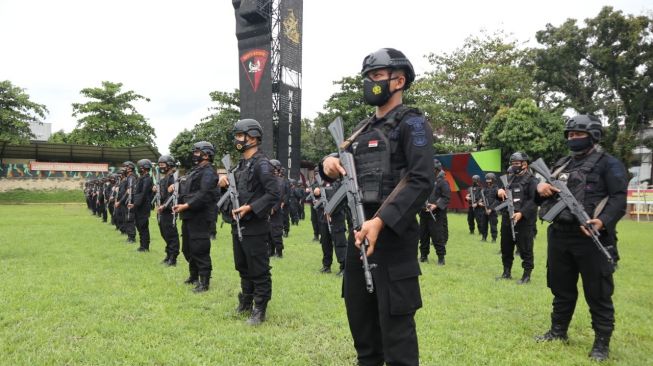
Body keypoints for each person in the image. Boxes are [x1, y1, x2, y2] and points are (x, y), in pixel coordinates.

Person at [321, 48, 434, 366]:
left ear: (398, 81)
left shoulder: (412, 125)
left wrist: (380, 221)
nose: (370, 83)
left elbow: (421, 179)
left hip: (393, 241)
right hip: (358, 238)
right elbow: (338, 166)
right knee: (363, 331)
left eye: (377, 76)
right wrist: (327, 164)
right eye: (368, 77)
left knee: (397, 338)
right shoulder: (361, 130)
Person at [534, 115, 627, 362]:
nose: (573, 139)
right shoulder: (561, 164)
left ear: (593, 135)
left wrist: (602, 221)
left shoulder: (609, 164)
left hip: (591, 237)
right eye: (570, 135)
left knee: (598, 292)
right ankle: (558, 331)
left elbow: (619, 199)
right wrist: (539, 189)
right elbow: (541, 198)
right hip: (559, 235)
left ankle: (601, 344)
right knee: (560, 287)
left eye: (578, 134)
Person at [219, 119, 279, 325]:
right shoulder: (240, 165)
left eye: (239, 136)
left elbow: (274, 193)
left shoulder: (263, 164)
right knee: (242, 266)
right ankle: (246, 301)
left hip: (255, 226)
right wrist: (224, 183)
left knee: (258, 268)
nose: (236, 140)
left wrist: (251, 207)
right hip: (238, 225)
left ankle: (260, 308)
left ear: (252, 137)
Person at [173, 142, 219, 293]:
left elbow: (204, 194)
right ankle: (193, 275)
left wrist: (186, 205)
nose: (194, 155)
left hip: (200, 215)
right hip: (188, 215)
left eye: (197, 152)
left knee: (200, 249)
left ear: (206, 155)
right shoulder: (195, 171)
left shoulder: (209, 172)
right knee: (187, 248)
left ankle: (204, 281)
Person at [496, 152, 538, 284]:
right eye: (512, 164)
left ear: (524, 164)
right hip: (507, 218)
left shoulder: (532, 180)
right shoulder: (509, 178)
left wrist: (522, 213)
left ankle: (526, 275)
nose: (514, 166)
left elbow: (534, 201)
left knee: (525, 248)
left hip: (524, 220)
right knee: (506, 247)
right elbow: (500, 195)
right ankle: (506, 272)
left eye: (516, 164)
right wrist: (499, 191)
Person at [419, 158, 451, 265]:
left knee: (437, 236)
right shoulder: (425, 181)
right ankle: (423, 256)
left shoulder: (443, 182)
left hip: (436, 214)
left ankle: (441, 258)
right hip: (424, 212)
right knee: (423, 235)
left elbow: (446, 197)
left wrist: (435, 205)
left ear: (436, 169)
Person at [156, 155, 180, 266]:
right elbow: (162, 193)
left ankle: (173, 257)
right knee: (164, 233)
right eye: (159, 165)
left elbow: (173, 195)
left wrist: (164, 206)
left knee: (171, 234)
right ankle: (168, 254)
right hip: (162, 210)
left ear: (169, 165)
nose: (161, 167)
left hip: (169, 210)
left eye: (163, 165)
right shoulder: (163, 178)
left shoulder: (173, 177)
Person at [131, 159, 153, 252]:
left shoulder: (147, 179)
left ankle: (145, 247)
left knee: (143, 227)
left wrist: (135, 204)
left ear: (143, 168)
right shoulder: (142, 178)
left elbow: (142, 194)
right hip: (139, 206)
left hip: (143, 207)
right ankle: (142, 245)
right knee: (139, 226)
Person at [268, 159, 285, 258]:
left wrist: (274, 208)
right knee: (268, 232)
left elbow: (280, 196)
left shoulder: (280, 181)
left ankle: (279, 252)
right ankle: (270, 251)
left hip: (276, 211)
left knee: (276, 232)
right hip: (267, 209)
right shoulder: (268, 180)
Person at [116, 161, 137, 243]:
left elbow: (129, 191)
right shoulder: (129, 177)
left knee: (130, 219)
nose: (123, 169)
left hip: (130, 201)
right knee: (127, 218)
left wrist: (120, 201)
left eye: (125, 167)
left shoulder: (132, 177)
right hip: (126, 201)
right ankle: (129, 236)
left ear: (129, 168)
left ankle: (132, 238)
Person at [479, 172, 499, 243]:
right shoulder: (484, 189)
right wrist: (480, 203)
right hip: (484, 209)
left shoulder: (497, 189)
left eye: (489, 179)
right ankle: (484, 237)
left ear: (493, 180)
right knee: (483, 224)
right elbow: (481, 198)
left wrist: (490, 209)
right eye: (487, 179)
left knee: (493, 225)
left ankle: (494, 239)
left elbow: (497, 200)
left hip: (492, 210)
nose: (488, 181)